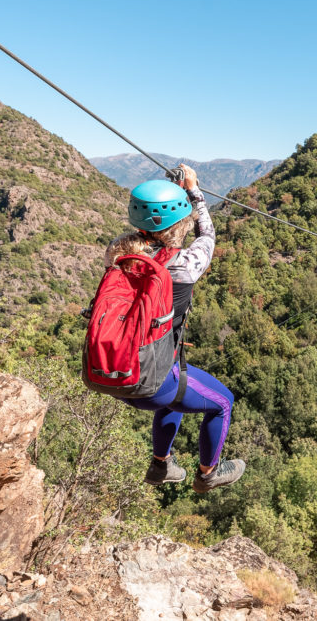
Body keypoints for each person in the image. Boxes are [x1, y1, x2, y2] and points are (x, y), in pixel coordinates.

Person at [105, 164, 245, 492]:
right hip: (151, 382)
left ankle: (160, 466)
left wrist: (171, 202)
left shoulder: (118, 255)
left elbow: (145, 239)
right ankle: (208, 474)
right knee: (223, 402)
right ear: (178, 223)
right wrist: (193, 190)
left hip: (115, 372)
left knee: (176, 394)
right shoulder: (183, 266)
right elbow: (207, 235)